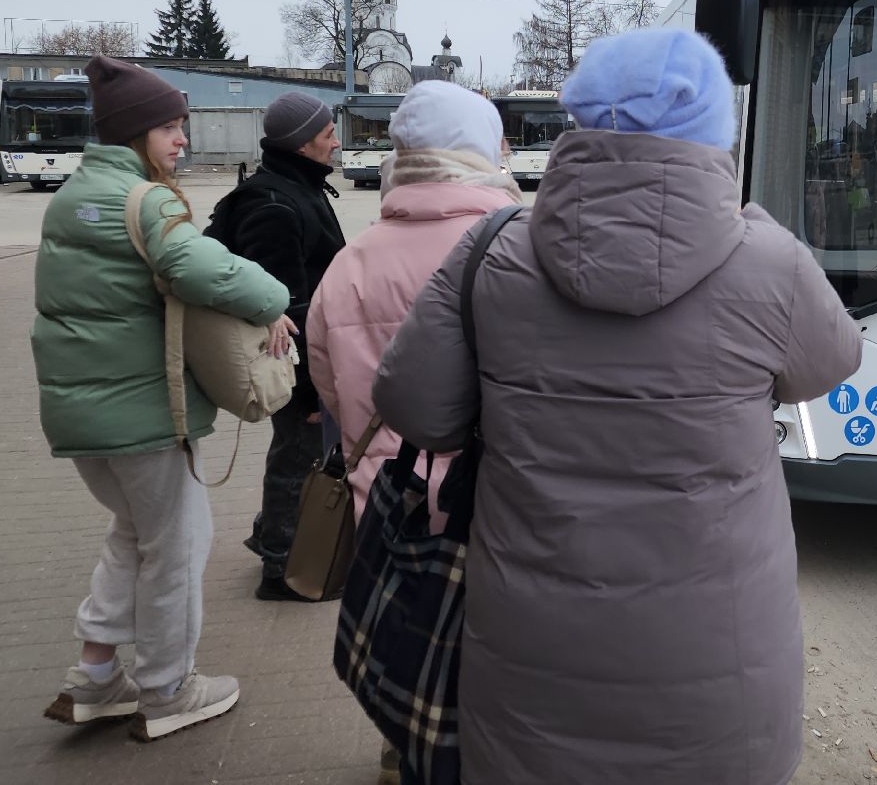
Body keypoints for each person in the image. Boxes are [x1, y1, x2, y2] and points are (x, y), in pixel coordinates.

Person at [373, 28, 862, 785]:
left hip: (532, 656)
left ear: (578, 121)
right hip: (719, 669)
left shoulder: (491, 251)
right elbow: (828, 366)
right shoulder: (772, 263)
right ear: (714, 137)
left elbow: (417, 409)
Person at [33, 56, 292, 740]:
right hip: (144, 412)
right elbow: (195, 265)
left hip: (83, 413)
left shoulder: (72, 198)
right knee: (178, 546)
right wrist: (275, 302)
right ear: (134, 132)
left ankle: (94, 675)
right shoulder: (146, 200)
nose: (181, 139)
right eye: (170, 127)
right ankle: (169, 689)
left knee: (132, 533)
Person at [305, 80, 522, 784]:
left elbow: (332, 391)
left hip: (390, 513)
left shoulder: (351, 263)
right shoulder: (522, 255)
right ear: (485, 151)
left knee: (412, 648)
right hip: (495, 517)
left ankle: (402, 751)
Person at [203, 91, 346, 601]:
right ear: (305, 143)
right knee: (301, 456)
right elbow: (283, 310)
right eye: (330, 134)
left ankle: (272, 538)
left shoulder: (294, 188)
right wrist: (309, 392)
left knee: (298, 454)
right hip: (293, 361)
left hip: (306, 356)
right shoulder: (275, 204)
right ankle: (283, 569)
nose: (337, 142)